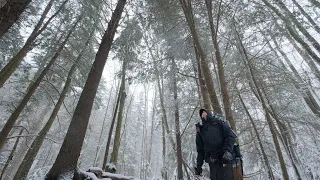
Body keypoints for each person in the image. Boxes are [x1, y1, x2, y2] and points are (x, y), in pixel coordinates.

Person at [195, 108, 236, 180]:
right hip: (213, 163)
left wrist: (227, 151)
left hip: (224, 159)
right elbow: (200, 151)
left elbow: (231, 136)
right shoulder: (200, 131)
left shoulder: (219, 122)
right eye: (201, 113)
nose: (203, 113)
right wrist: (199, 167)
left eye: (205, 111)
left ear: (209, 113)